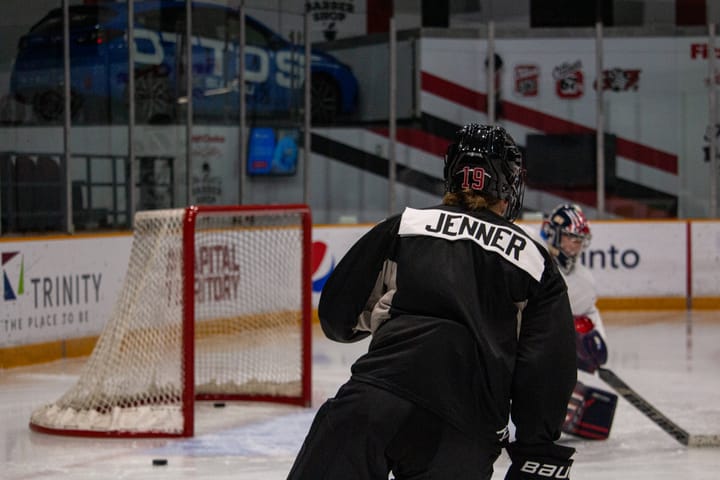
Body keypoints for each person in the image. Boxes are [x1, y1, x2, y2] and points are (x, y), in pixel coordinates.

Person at [288, 123, 577, 480]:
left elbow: (337, 316)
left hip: (373, 399)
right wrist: (537, 450)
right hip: (464, 427)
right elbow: (547, 370)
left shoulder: (404, 226)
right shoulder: (533, 259)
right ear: (507, 186)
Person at [539, 204, 618, 440]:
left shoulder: (584, 279)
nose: (576, 245)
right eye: (571, 238)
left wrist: (596, 343)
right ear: (554, 233)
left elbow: (590, 313)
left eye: (579, 239)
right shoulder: (533, 261)